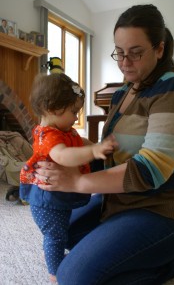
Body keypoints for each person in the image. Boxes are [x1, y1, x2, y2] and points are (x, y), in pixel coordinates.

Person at [35, 4, 174, 285]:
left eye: (135, 53)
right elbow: (111, 152)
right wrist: (65, 146)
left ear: (159, 49)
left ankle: (172, 262)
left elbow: (150, 171)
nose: (125, 62)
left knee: (72, 276)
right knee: (63, 231)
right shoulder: (121, 92)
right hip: (119, 202)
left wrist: (76, 182)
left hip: (164, 209)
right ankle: (142, 252)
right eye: (119, 52)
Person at [19, 73, 117, 282]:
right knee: (55, 236)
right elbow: (64, 156)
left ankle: (55, 256)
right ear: (53, 109)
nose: (76, 117)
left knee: (62, 231)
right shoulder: (49, 137)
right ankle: (54, 272)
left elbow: (78, 140)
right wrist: (93, 152)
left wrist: (94, 146)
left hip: (57, 200)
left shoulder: (62, 130)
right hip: (47, 203)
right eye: (74, 112)